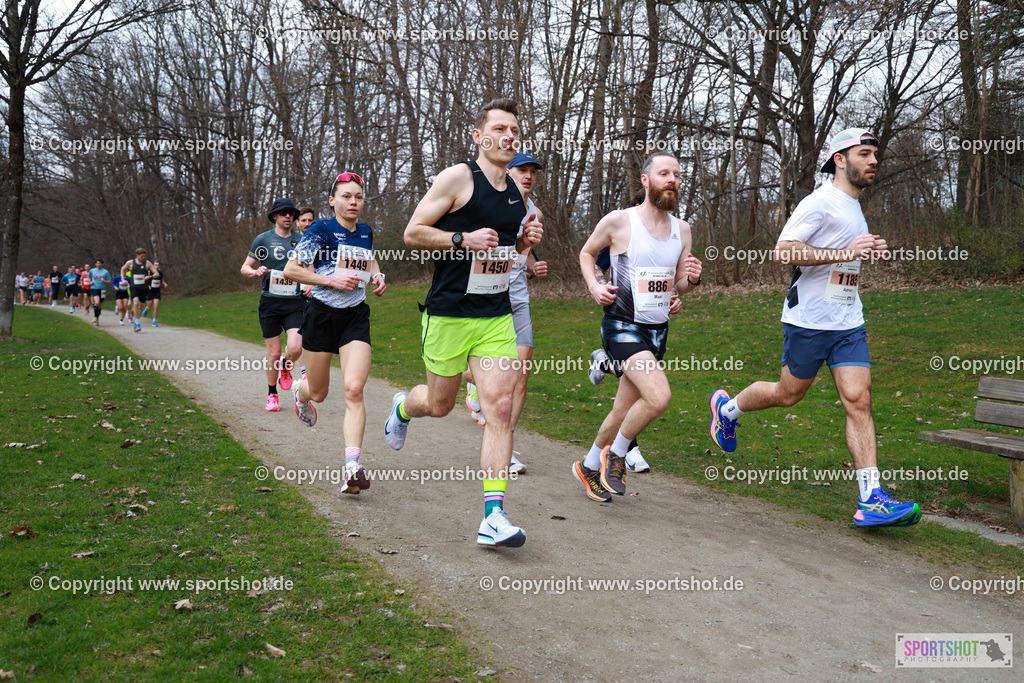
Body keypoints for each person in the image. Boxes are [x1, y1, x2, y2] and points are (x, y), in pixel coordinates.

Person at [708, 128, 921, 527]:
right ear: (840, 160)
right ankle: (728, 409)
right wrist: (846, 251)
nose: (873, 160)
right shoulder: (820, 201)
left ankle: (871, 498)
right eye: (864, 153)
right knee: (787, 395)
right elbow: (783, 251)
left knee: (859, 400)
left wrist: (864, 251)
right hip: (809, 321)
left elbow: (842, 259)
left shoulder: (855, 206)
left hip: (847, 320)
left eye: (875, 154)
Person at [383, 98, 543, 548]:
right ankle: (401, 409)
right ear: (478, 136)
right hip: (449, 313)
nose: (510, 136)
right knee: (440, 404)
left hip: (494, 315)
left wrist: (523, 242)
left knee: (501, 407)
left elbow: (505, 251)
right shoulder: (458, 178)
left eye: (515, 130)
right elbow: (413, 233)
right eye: (500, 128)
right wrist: (460, 238)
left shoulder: (516, 192)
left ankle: (494, 516)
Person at [574, 152, 702, 503]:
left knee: (622, 409)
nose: (672, 179)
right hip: (622, 326)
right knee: (659, 397)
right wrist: (595, 286)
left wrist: (688, 284)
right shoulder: (619, 221)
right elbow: (587, 254)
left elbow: (680, 283)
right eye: (664, 173)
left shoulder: (683, 230)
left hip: (657, 331)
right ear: (646, 181)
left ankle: (587, 467)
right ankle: (616, 454)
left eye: (676, 174)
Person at [284, 173, 386, 494]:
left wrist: (378, 275)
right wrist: (330, 281)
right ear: (332, 201)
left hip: (355, 317)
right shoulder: (320, 230)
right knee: (319, 393)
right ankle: (300, 392)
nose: (353, 202)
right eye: (346, 196)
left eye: (358, 196)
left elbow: (368, 260)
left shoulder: (366, 231)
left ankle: (352, 468)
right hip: (321, 316)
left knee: (354, 390)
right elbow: (291, 269)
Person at [241, 198, 305, 412]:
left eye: (291, 213)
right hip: (270, 303)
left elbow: (309, 267)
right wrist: (255, 271)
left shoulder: (301, 240)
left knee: (295, 347)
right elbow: (244, 267)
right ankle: (272, 394)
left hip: (295, 302)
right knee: (273, 354)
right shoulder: (263, 240)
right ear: (275, 216)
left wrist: (310, 284)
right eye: (283, 213)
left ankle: (287, 365)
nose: (288, 216)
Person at [120, 249, 158, 333]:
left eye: (144, 256)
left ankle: (136, 318)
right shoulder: (130, 263)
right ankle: (137, 323)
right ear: (137, 255)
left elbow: (156, 273)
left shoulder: (147, 263)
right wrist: (123, 279)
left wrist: (150, 277)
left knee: (141, 306)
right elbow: (123, 269)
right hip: (134, 286)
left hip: (144, 288)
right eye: (142, 256)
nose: (143, 258)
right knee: (136, 303)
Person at [88, 259, 111, 326]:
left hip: (102, 290)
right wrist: (90, 281)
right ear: (95, 264)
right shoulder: (92, 270)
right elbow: (88, 277)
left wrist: (104, 281)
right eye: (97, 263)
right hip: (94, 288)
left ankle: (97, 319)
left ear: (102, 264)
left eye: (100, 263)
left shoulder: (105, 272)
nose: (98, 264)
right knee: (97, 302)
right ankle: (95, 317)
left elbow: (109, 281)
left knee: (100, 305)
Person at [145, 260, 168, 326]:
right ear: (153, 266)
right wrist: (148, 285)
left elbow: (162, 280)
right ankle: (146, 309)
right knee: (149, 307)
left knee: (156, 306)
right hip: (150, 292)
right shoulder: (150, 272)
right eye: (155, 265)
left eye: (158, 265)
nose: (157, 266)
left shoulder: (161, 273)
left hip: (157, 291)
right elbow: (145, 280)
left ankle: (154, 321)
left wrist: (164, 283)